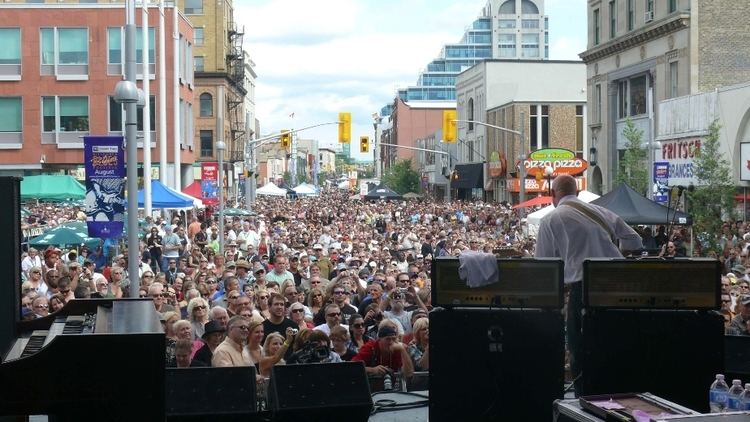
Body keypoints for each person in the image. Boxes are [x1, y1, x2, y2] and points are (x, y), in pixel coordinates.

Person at [535, 174, 642, 395]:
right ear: (577, 193)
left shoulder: (550, 220)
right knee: (612, 345)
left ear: (553, 195)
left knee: (580, 349)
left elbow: (543, 268)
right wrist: (612, 257)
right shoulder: (600, 212)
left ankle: (584, 401)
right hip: (616, 286)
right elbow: (635, 241)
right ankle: (614, 395)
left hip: (583, 290)